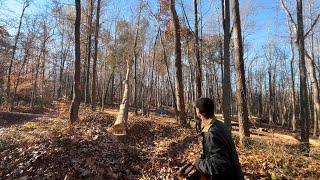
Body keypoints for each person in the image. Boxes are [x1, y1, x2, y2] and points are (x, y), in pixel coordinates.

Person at [193, 97, 244, 180]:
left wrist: (198, 164)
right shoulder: (219, 125)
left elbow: (219, 164)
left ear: (199, 111)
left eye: (196, 108)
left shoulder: (211, 132)